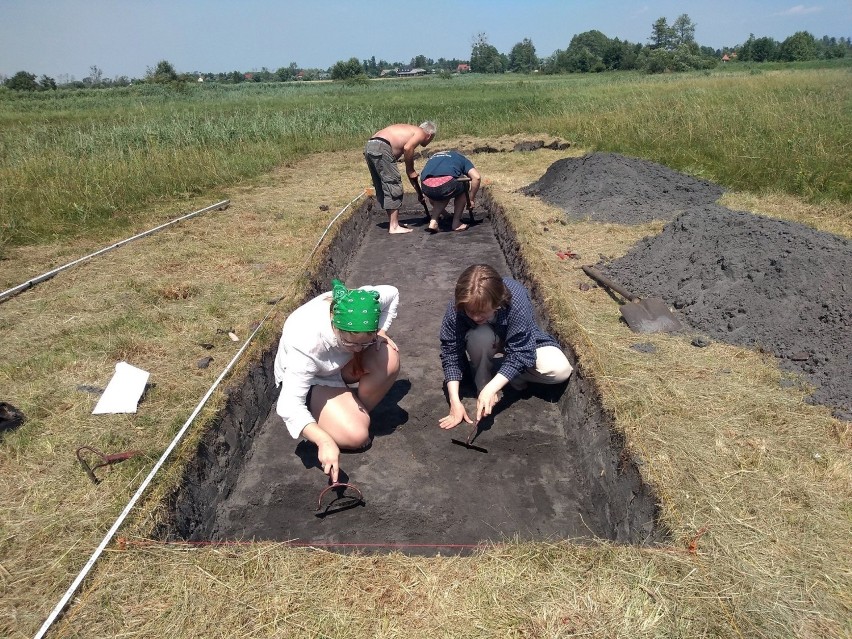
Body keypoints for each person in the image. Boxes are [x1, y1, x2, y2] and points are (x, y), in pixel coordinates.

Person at [274, 279, 401, 482]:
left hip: (338, 367)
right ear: (335, 324)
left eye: (365, 342)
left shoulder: (364, 301)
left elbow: (392, 292)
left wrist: (381, 333)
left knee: (389, 357)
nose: (358, 349)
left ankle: (346, 411)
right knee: (357, 436)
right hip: (315, 378)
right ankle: (337, 418)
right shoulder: (305, 343)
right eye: (349, 342)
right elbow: (288, 406)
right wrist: (323, 440)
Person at [438, 264, 573, 430]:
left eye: (482, 312)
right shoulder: (459, 306)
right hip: (486, 342)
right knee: (479, 336)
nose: (475, 316)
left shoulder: (516, 298)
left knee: (560, 370)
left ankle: (505, 377)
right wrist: (455, 402)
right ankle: (483, 381)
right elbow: (450, 353)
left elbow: (521, 351)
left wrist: (493, 388)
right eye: (470, 312)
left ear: (498, 303)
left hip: (519, 343)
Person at [364, 122, 437, 234]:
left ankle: (393, 222)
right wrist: (410, 169)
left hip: (371, 145)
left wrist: (419, 193)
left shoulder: (411, 130)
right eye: (432, 139)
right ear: (429, 135)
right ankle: (394, 226)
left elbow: (410, 175)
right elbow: (408, 148)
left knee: (385, 184)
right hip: (381, 146)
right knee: (393, 184)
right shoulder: (421, 133)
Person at [420, 149, 481, 232]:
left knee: (439, 192)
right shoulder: (460, 158)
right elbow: (476, 177)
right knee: (464, 183)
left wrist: (421, 193)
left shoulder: (433, 157)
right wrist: (471, 199)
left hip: (426, 187)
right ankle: (456, 223)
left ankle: (434, 221)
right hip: (445, 186)